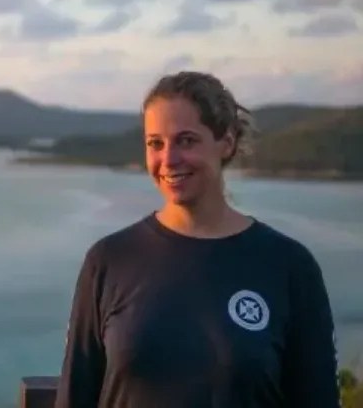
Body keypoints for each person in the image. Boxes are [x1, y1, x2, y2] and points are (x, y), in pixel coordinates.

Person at [53, 71, 340, 408]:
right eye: (155, 143)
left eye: (186, 140)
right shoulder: (108, 261)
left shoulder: (289, 266)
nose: (169, 159)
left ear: (227, 142)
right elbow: (76, 397)